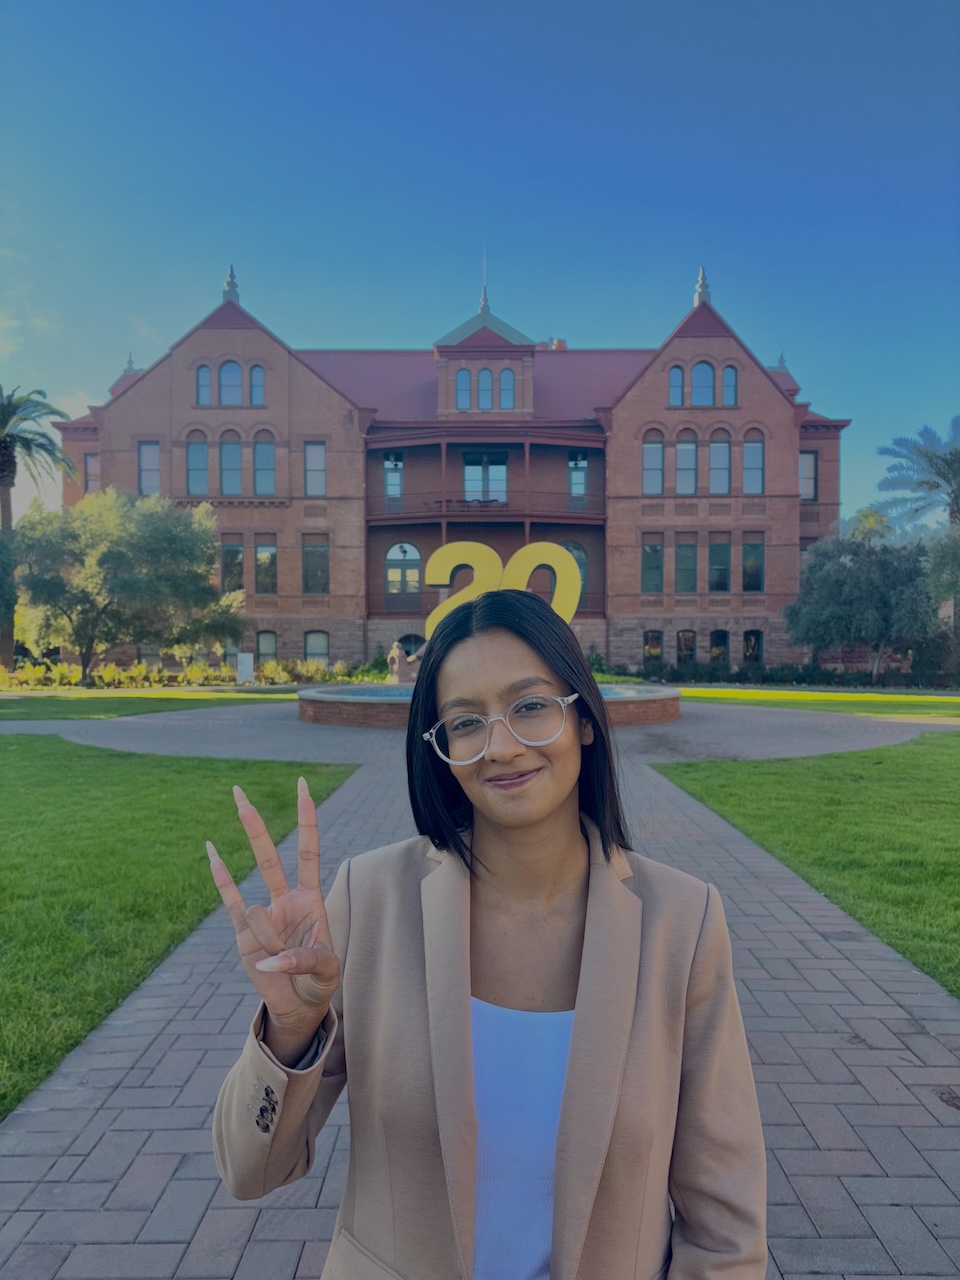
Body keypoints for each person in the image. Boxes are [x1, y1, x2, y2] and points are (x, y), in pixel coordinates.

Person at [209, 590, 767, 1280]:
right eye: (465, 722)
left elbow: (726, 1228)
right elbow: (248, 1170)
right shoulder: (368, 901)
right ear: (441, 748)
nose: (500, 747)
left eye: (530, 706)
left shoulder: (682, 922)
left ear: (583, 719)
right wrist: (290, 1030)